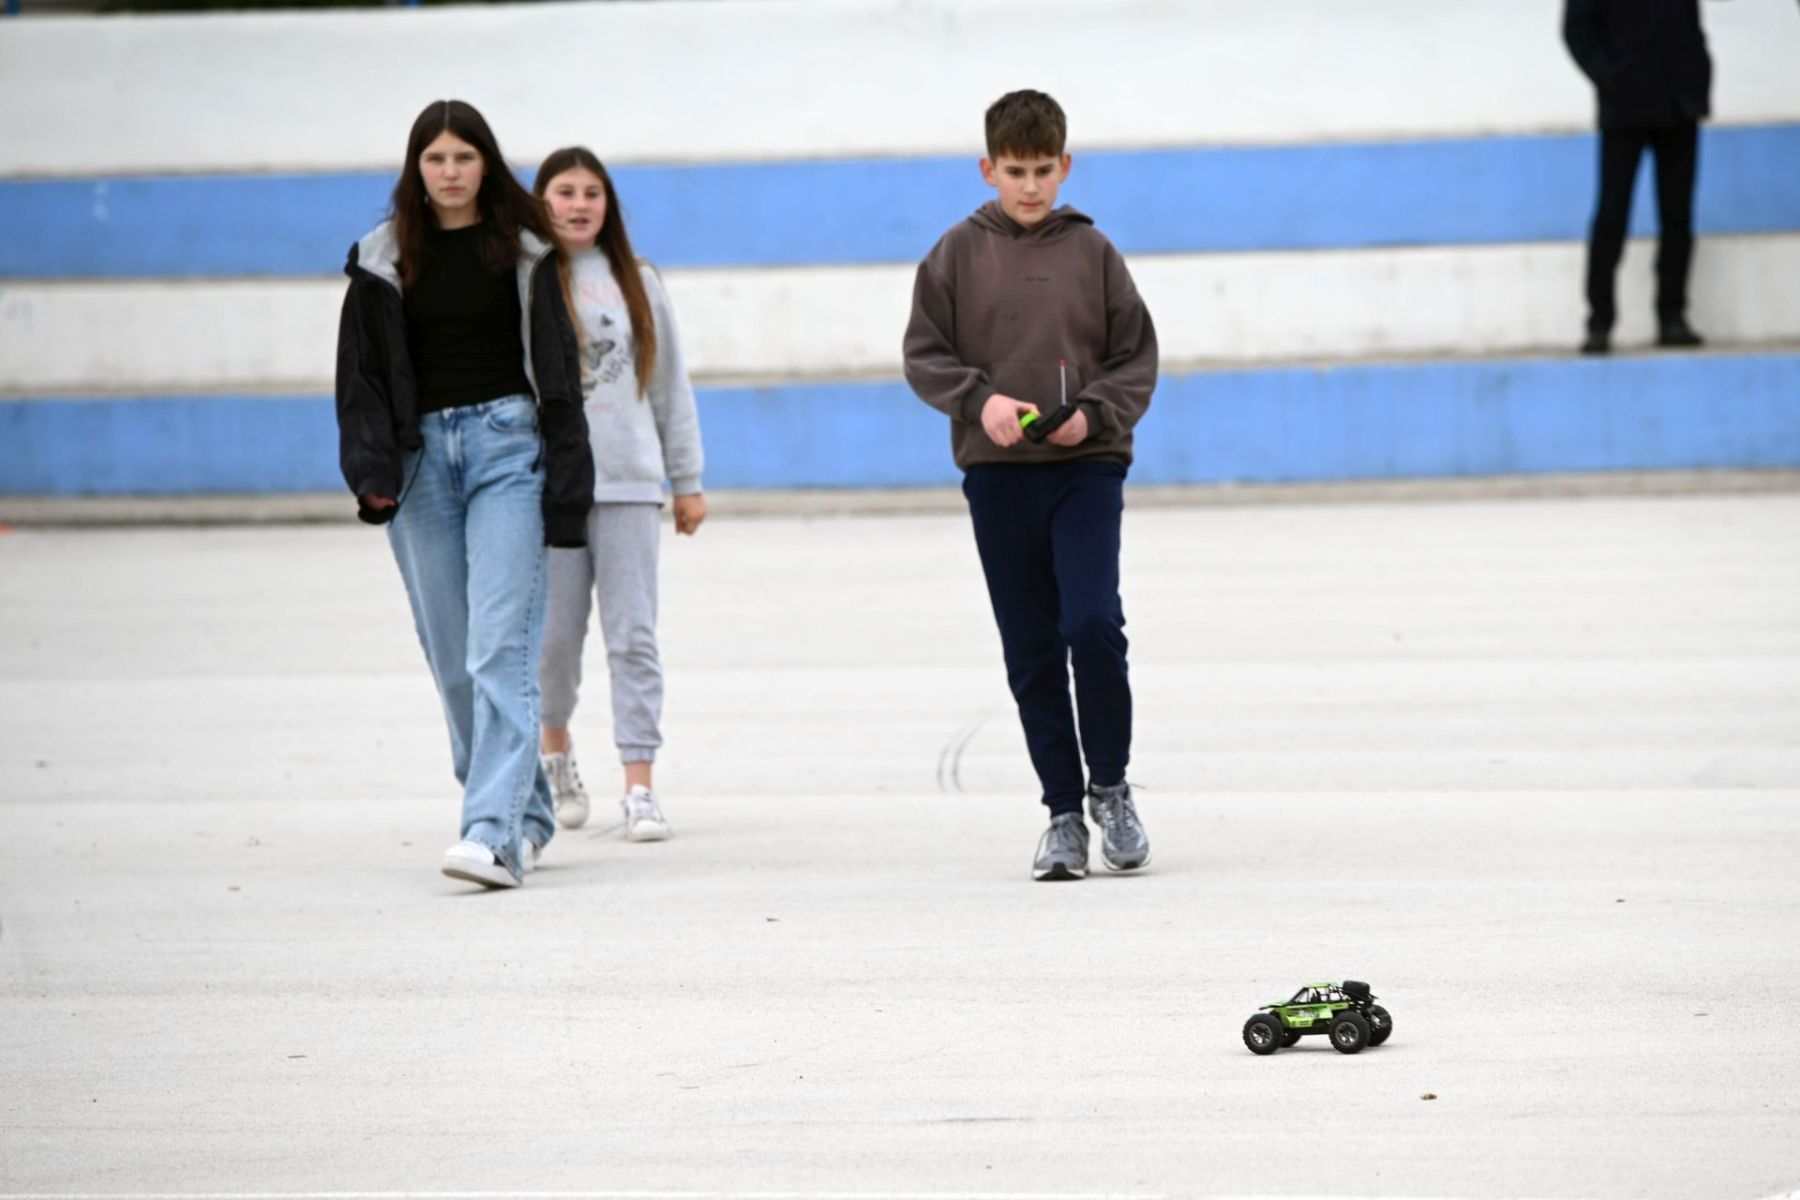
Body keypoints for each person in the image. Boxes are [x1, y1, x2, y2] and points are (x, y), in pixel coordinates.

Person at [334, 100, 593, 889]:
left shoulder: (525, 249)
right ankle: (527, 814)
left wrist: (569, 492)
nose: (450, 172)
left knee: (498, 649)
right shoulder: (381, 258)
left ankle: (489, 834)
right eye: (436, 158)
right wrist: (371, 473)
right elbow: (360, 380)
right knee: (453, 660)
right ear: (417, 167)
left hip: (507, 450)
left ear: (487, 163)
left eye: (464, 157)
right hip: (419, 466)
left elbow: (559, 373)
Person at [902, 89, 1158, 881]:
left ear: (1065, 166)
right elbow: (924, 355)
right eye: (1016, 171)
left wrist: (1094, 414)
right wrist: (979, 402)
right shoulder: (953, 254)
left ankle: (1110, 786)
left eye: (1044, 169)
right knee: (1031, 646)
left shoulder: (1094, 253)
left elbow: (1136, 358)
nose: (1031, 186)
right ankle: (1062, 815)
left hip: (1086, 467)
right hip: (998, 473)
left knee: (1092, 622)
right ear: (989, 170)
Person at [531, 147, 706, 842]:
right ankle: (554, 752)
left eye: (592, 193)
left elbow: (669, 385)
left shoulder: (638, 279)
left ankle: (639, 785)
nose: (579, 205)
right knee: (554, 640)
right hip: (552, 489)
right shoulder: (525, 276)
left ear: (608, 204)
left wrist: (686, 480)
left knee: (633, 636)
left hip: (630, 483)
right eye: (565, 192)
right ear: (541, 201)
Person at [1563, 0, 1712, 355]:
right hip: (1623, 109)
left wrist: (1697, 82)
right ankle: (1599, 321)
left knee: (1678, 216)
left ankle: (1672, 316)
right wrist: (1609, 76)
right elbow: (1576, 29)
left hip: (1679, 104)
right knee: (1611, 215)